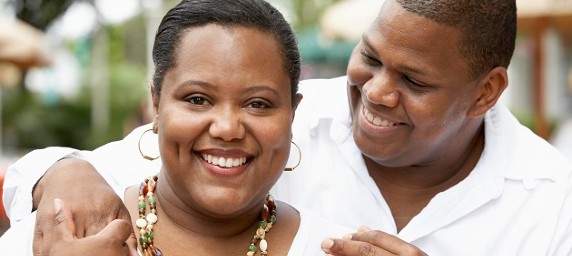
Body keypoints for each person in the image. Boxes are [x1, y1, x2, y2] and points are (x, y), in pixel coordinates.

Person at [4, 0, 572, 255]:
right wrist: (61, 171)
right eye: (370, 57)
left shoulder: (553, 205)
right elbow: (136, 164)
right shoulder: (283, 113)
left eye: (415, 82)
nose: (375, 92)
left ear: (487, 93)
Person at [0, 0, 355, 255]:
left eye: (257, 103)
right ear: (156, 104)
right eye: (198, 99)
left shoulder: (335, 248)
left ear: (293, 113)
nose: (228, 127)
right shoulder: (62, 238)